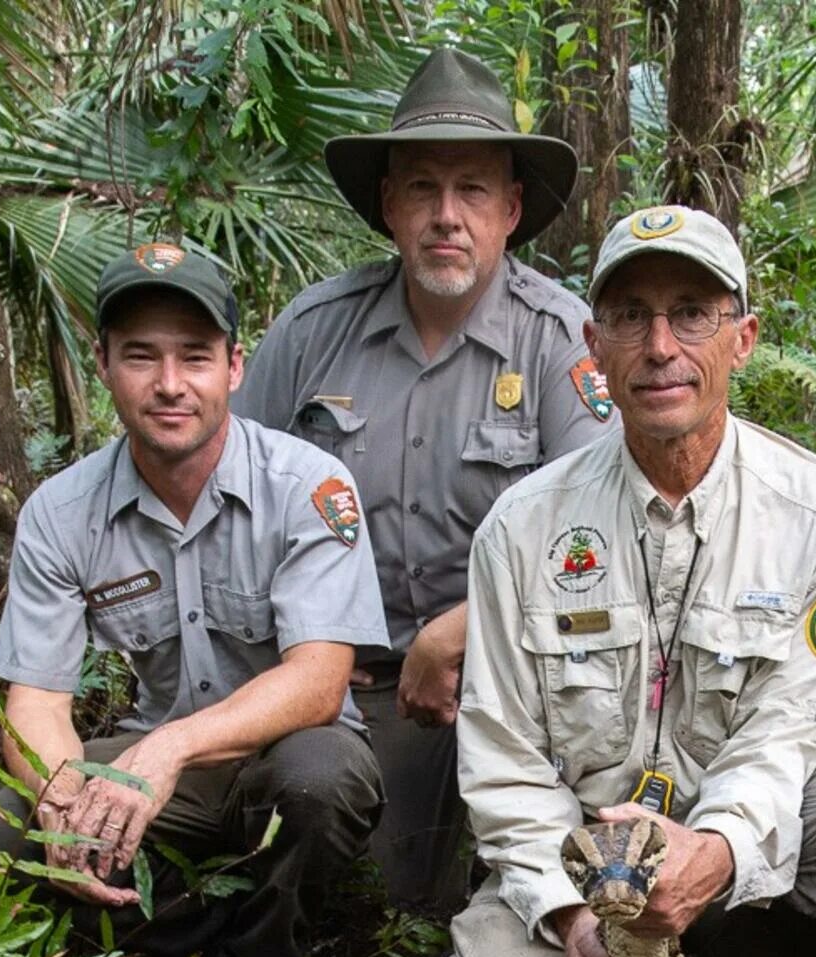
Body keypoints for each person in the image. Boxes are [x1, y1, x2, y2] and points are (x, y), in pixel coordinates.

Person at [392, 205, 816, 957]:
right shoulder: (522, 530)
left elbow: (792, 731)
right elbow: (502, 760)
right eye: (630, 317)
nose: (660, 346)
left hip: (729, 873)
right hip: (573, 872)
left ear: (743, 339)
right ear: (593, 346)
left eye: (692, 312)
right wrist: (572, 920)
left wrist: (716, 852)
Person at [236, 48, 619, 909]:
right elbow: (239, 507)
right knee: (326, 851)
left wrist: (461, 626)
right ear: (388, 205)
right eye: (422, 188)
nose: (447, 216)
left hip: (503, 690)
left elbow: (603, 546)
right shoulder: (311, 333)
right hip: (339, 686)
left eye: (473, 190)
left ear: (512, 210)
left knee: (476, 891)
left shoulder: (561, 344)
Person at [0, 244, 388, 957]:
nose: (170, 384)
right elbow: (34, 701)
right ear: (103, 364)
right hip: (159, 769)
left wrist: (169, 749)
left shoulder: (309, 486)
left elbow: (319, 680)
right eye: (141, 356)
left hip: (279, 755)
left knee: (321, 779)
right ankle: (170, 939)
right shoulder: (61, 513)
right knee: (4, 823)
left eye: (194, 357)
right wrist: (65, 800)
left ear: (234, 367)